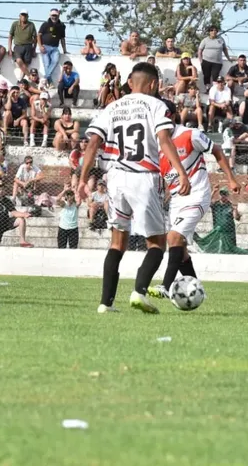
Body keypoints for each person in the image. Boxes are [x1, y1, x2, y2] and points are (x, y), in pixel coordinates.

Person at [78, 62, 190, 314]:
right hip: (144, 176)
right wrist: (181, 172)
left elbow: (93, 142)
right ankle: (139, 293)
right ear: (153, 84)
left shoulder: (112, 107)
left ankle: (105, 304)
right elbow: (164, 139)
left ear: (131, 82)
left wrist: (83, 178)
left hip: (115, 178)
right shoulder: (156, 105)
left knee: (117, 242)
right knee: (157, 243)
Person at [149, 99, 239, 299]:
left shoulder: (190, 135)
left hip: (197, 195)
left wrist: (231, 178)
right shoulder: (157, 143)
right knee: (180, 251)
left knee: (173, 238)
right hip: (176, 201)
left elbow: (216, 150)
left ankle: (165, 286)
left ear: (171, 116)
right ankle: (199, 292)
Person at [0, 177, 32, 247]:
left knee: (21, 220)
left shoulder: (7, 200)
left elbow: (14, 212)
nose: (1, 191)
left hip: (5, 223)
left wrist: (24, 214)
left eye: (3, 189)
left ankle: (22, 241)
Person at [38, 9, 67, 87]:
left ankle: (45, 78)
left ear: (58, 16)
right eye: (53, 15)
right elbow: (39, 35)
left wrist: (65, 50)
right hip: (45, 47)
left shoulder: (61, 26)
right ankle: (50, 82)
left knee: (55, 61)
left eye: (55, 15)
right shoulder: (45, 24)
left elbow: (62, 39)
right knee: (47, 64)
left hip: (55, 48)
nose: (54, 17)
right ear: (50, 15)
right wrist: (40, 46)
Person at [8, 11, 37, 79]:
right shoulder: (15, 24)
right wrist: (9, 48)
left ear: (27, 17)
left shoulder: (31, 24)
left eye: (25, 15)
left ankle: (20, 80)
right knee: (18, 60)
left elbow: (35, 38)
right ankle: (29, 76)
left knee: (26, 64)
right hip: (18, 46)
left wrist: (34, 49)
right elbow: (10, 36)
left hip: (28, 46)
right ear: (19, 16)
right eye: (22, 15)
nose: (23, 17)